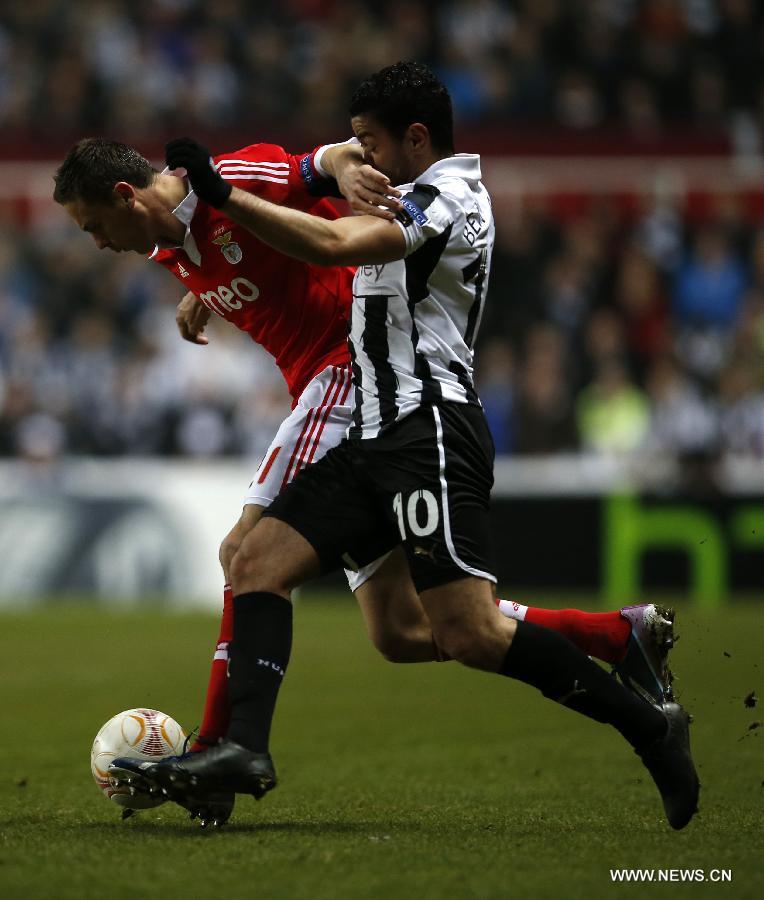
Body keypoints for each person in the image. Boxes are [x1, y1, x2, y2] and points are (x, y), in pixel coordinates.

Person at [111, 62, 698, 830]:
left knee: (469, 631)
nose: (360, 159)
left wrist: (222, 197)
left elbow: (326, 244)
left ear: (415, 139)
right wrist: (217, 267)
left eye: (370, 144)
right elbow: (310, 221)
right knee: (271, 569)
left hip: (429, 430)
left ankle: (651, 726)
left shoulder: (448, 200)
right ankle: (240, 751)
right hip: (373, 430)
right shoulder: (403, 185)